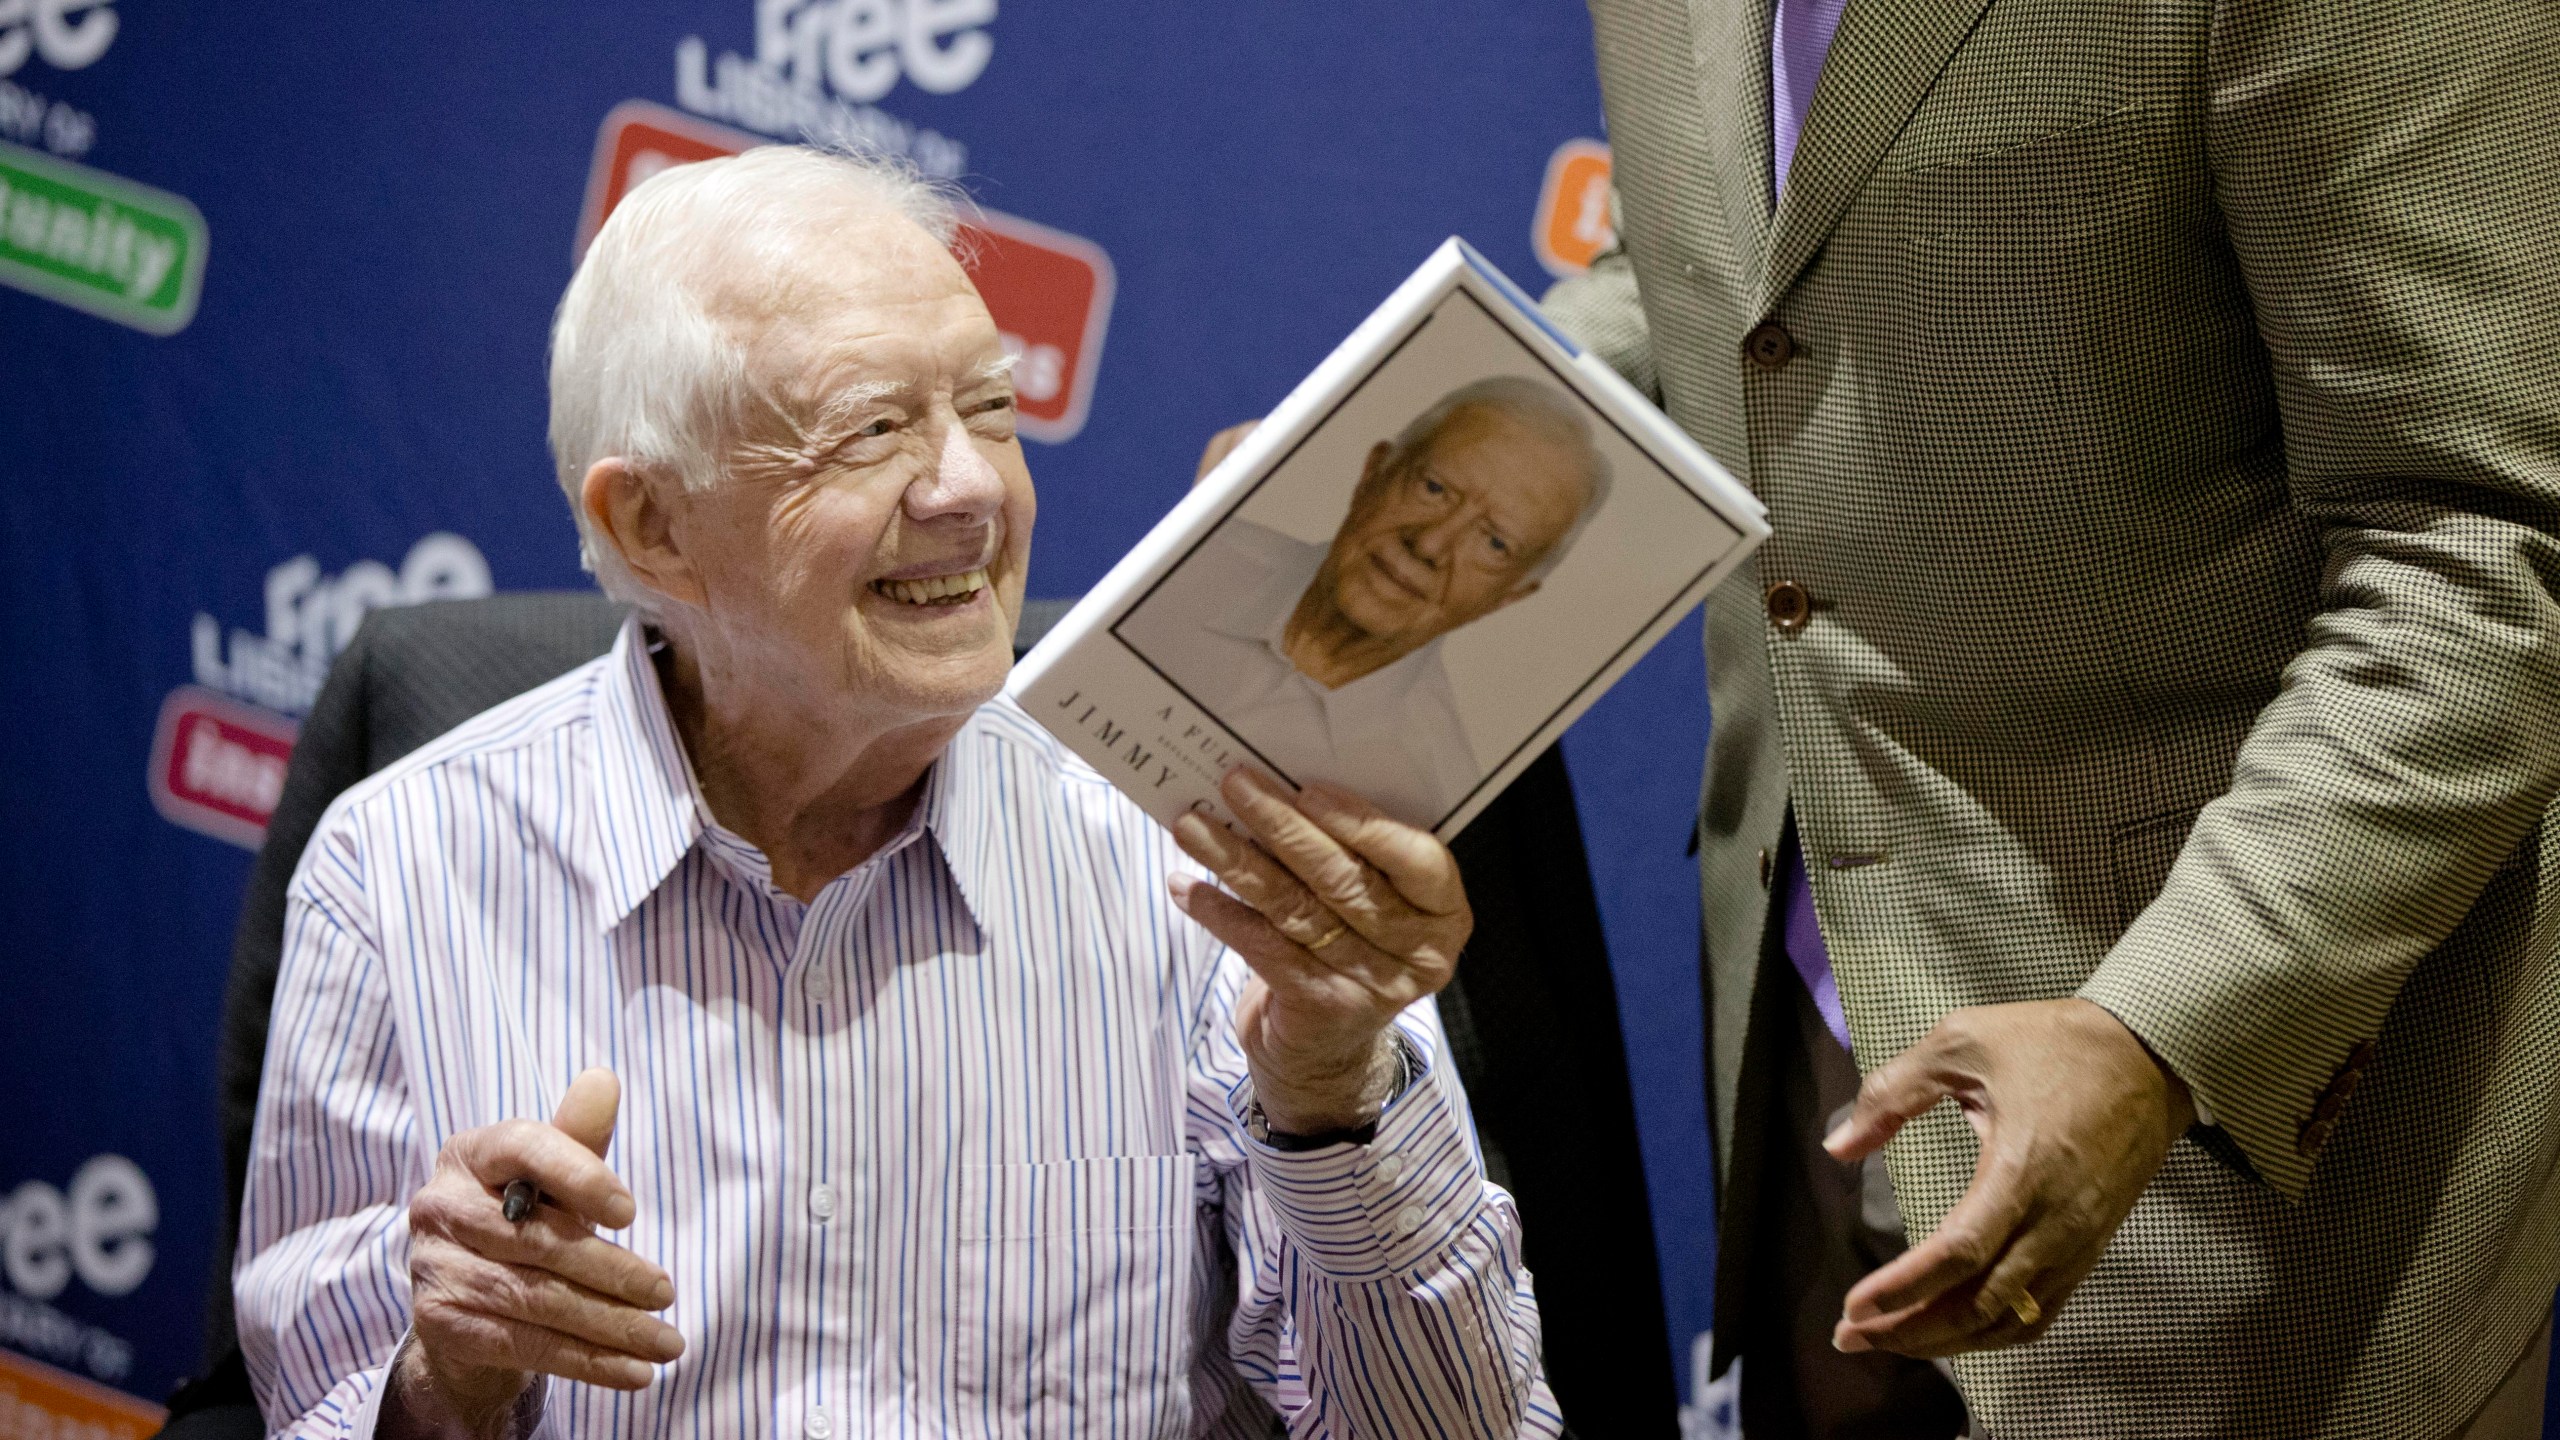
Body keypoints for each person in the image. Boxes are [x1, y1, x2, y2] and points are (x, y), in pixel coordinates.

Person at [233, 145, 1562, 1440]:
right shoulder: (401, 866)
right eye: (871, 431)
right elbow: (321, 1403)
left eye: (990, 408)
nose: (974, 489)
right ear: (653, 526)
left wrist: (1330, 1090)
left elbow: (1460, 1426)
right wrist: (447, 1382)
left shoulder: (1196, 850)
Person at [1536, 0, 2560, 1434]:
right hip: (1806, 1060)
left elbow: (2483, 556)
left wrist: (2157, 1036)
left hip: (2236, 1142)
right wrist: (1434, 432)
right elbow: (1717, 240)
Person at [1124, 377, 1609, 825]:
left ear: (1508, 596)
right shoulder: (1198, 560)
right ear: (1374, 471)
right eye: (1434, 488)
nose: (1431, 545)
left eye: (1494, 543)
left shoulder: (1431, 800)